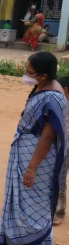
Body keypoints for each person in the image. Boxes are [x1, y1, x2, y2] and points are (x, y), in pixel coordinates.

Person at [0, 52, 67, 245]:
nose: (25, 74)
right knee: (25, 198)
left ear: (43, 75)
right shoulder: (43, 88)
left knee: (34, 199)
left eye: (29, 71)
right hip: (27, 149)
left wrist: (32, 168)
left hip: (38, 156)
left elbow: (48, 135)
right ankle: (26, 242)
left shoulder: (54, 97)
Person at [54, 75, 69, 226]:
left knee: (60, 176)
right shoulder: (60, 102)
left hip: (65, 143)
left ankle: (60, 210)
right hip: (58, 141)